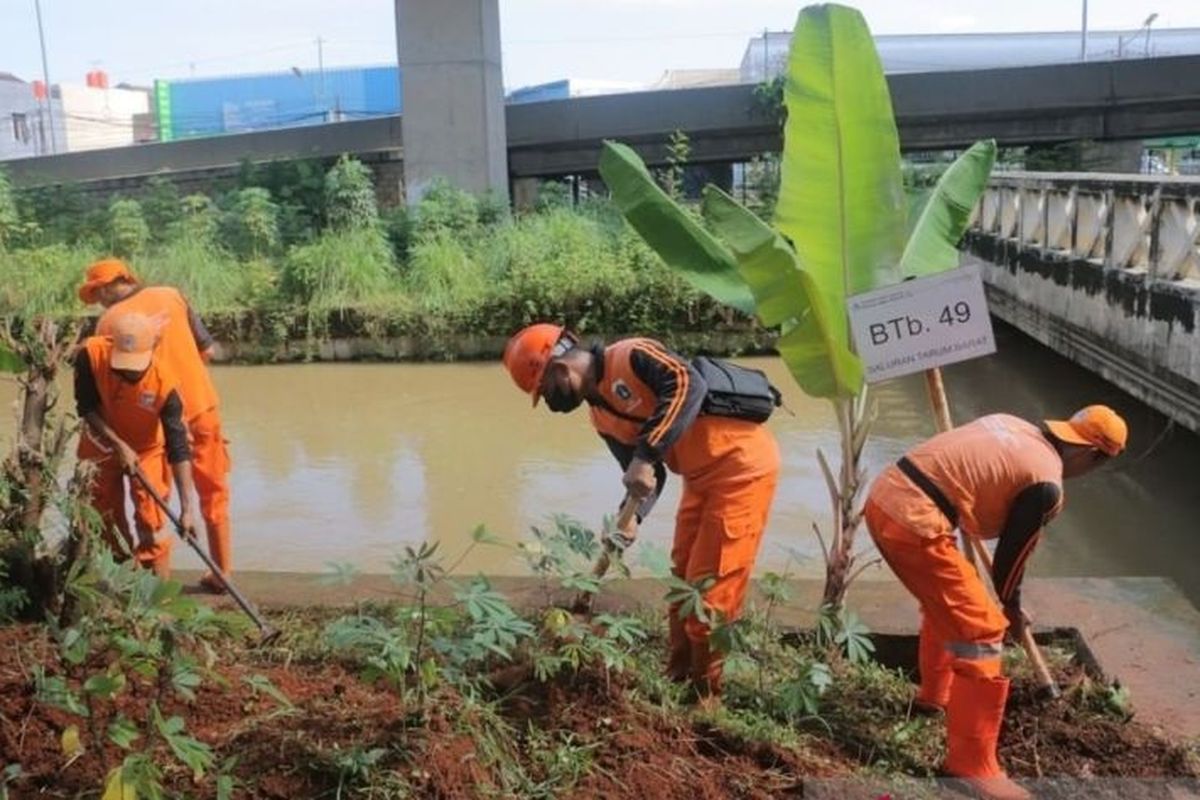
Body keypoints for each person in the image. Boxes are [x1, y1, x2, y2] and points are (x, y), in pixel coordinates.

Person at [503, 323, 781, 701]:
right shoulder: (601, 416)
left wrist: (646, 454)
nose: (550, 404)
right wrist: (630, 516)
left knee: (710, 590)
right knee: (683, 580)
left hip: (740, 469)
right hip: (698, 478)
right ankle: (678, 677)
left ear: (557, 369)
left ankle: (707, 696)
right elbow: (646, 479)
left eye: (545, 393)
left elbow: (687, 385)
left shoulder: (631, 355)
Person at [863, 406, 1128, 800]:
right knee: (984, 629)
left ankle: (935, 698)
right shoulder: (1045, 483)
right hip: (915, 519)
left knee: (953, 601)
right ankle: (971, 767)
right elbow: (1011, 559)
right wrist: (1012, 611)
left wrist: (1007, 599)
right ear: (1092, 456)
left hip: (886, 496)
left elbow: (974, 481)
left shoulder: (1012, 424)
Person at [79, 258, 232, 592]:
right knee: (213, 491)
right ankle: (221, 573)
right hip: (201, 408)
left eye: (96, 294)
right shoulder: (173, 295)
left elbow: (114, 383)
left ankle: (141, 578)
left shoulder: (109, 323)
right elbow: (209, 351)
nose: (98, 302)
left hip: (153, 418)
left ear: (106, 286)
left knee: (150, 501)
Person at [74, 312, 200, 578]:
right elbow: (85, 406)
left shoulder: (166, 384)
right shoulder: (90, 355)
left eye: (135, 366)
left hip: (147, 450)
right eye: (123, 365)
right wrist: (118, 444)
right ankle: (118, 584)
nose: (129, 372)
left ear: (152, 349)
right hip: (100, 442)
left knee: (151, 520)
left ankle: (159, 596)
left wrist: (188, 509)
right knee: (102, 516)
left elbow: (178, 448)